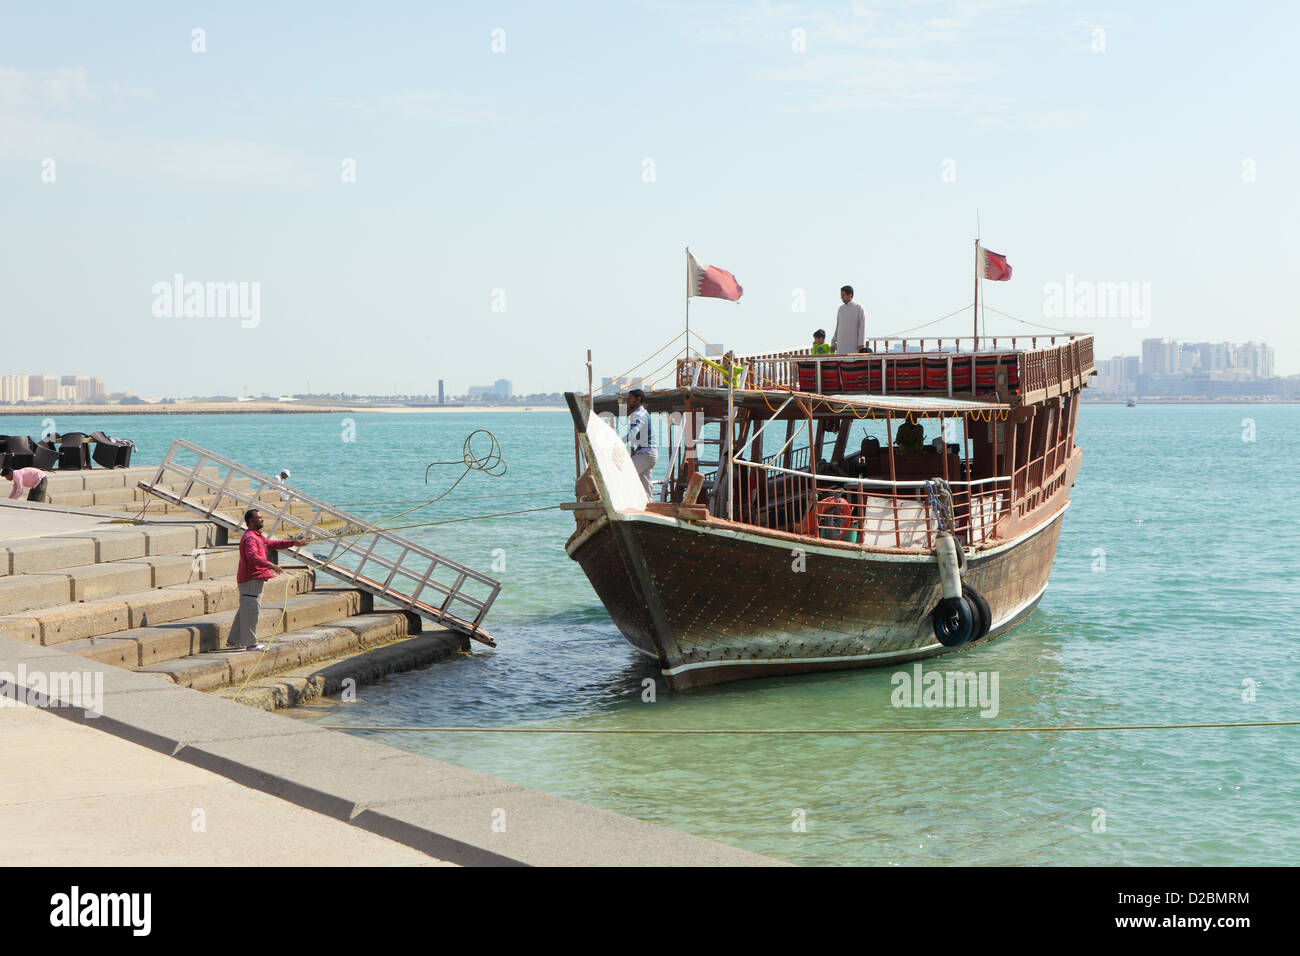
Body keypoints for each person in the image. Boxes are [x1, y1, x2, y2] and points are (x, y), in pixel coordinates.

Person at [226, 508, 313, 650]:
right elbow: (252, 557)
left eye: (261, 517)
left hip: (254, 579)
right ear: (250, 521)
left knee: (245, 609)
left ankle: (233, 641)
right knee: (251, 610)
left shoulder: (257, 536)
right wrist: (272, 565)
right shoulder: (250, 538)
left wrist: (293, 543)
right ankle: (250, 644)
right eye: (259, 518)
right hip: (250, 579)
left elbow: (272, 544)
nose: (262, 519)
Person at [625, 388, 658, 498]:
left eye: (630, 399)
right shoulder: (645, 413)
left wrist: (617, 442)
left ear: (638, 399)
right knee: (646, 484)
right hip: (650, 453)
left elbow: (632, 434)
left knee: (624, 472)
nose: (627, 401)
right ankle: (649, 506)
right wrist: (634, 450)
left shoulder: (638, 415)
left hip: (646, 454)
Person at [830, 285, 867, 354]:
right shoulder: (841, 309)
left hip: (854, 345)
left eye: (843, 295)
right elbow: (838, 327)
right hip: (841, 346)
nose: (841, 297)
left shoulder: (859, 308)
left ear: (850, 295)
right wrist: (833, 342)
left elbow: (862, 327)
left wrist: (861, 343)